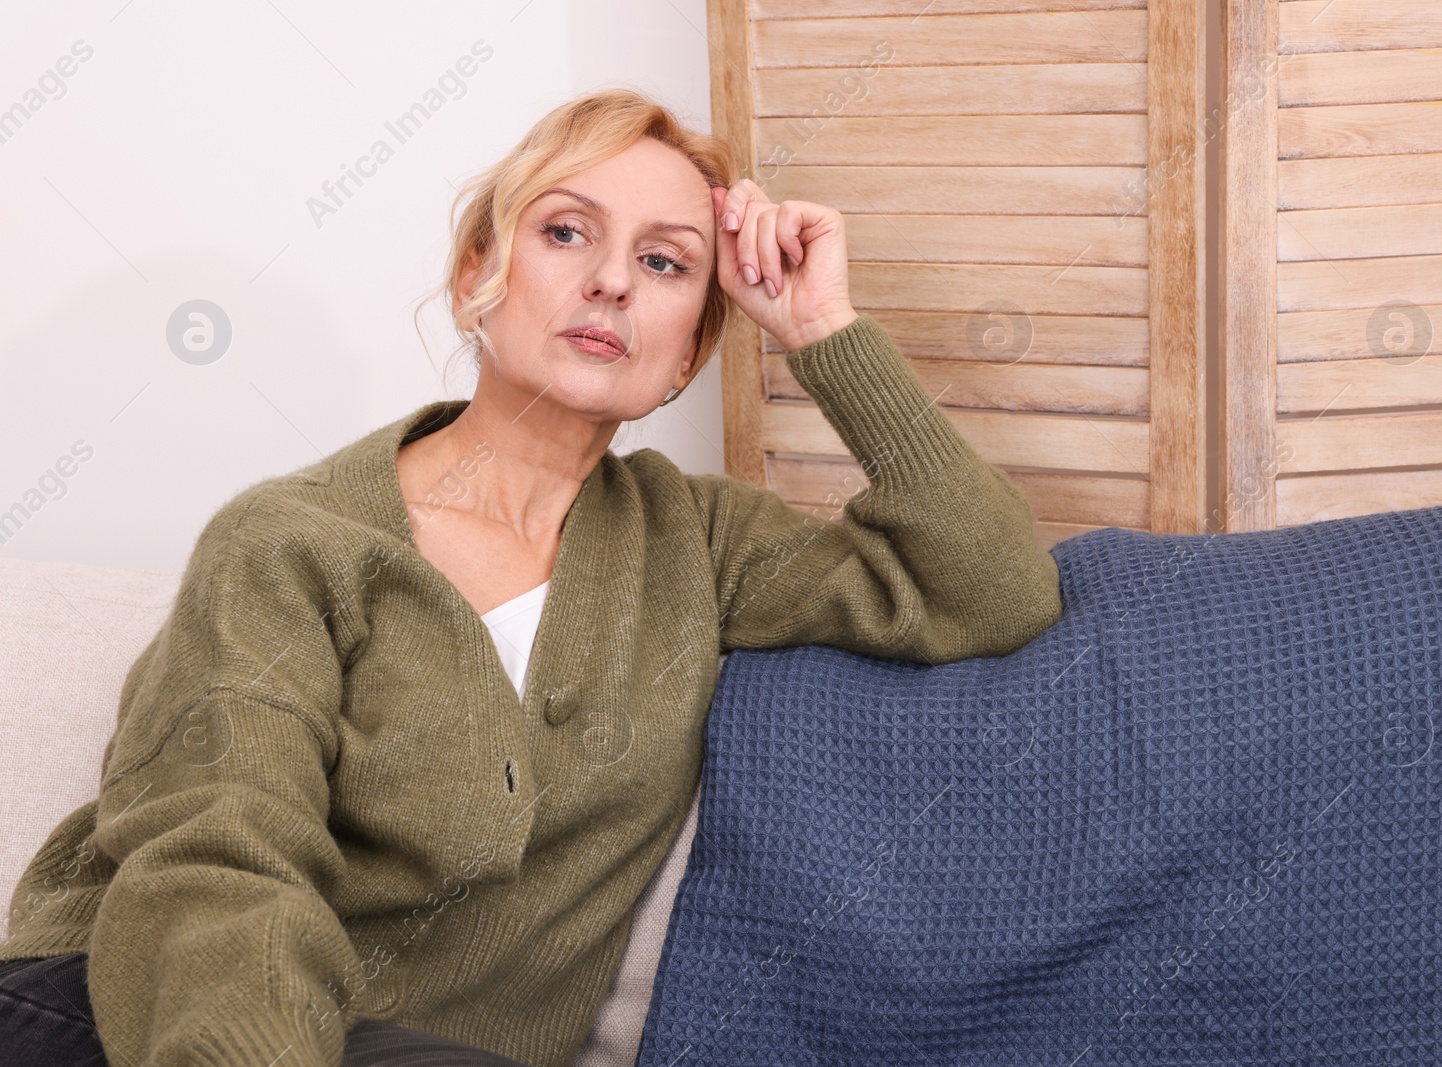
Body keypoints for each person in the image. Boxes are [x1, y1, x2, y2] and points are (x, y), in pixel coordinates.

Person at [0, 87, 1064, 1066]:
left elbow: (989, 585)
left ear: (687, 350)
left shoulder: (698, 542)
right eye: (566, 232)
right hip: (125, 1017)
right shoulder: (289, 542)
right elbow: (217, 866)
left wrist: (821, 330)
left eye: (664, 264)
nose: (609, 278)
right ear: (477, 275)